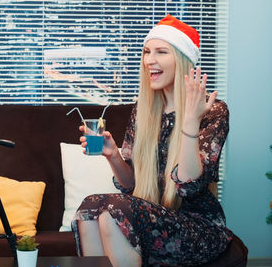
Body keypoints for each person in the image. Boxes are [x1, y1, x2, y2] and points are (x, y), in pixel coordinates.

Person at [72, 14, 232, 267]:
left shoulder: (213, 111)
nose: (149, 60)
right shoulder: (144, 110)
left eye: (161, 52)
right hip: (150, 216)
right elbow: (131, 185)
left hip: (197, 228)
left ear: (182, 60)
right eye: (147, 52)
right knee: (91, 206)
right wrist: (113, 155)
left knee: (114, 210)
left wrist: (190, 121)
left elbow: (188, 185)